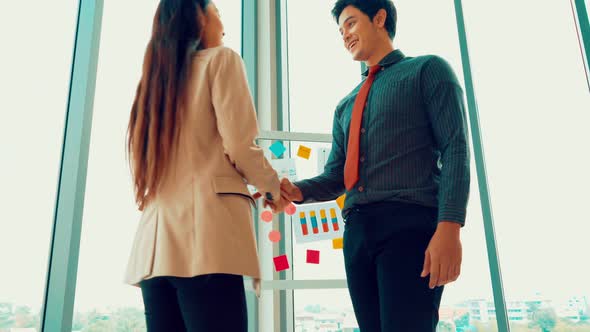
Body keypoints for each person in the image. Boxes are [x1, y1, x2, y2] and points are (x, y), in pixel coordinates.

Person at [279, 0, 470, 330]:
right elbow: (337, 176)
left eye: (351, 23)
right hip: (356, 233)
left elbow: (456, 149)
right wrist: (297, 191)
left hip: (409, 226)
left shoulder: (428, 70)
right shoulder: (344, 106)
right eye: (340, 30)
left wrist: (450, 227)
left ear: (379, 18)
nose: (345, 35)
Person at [124, 1, 287, 330]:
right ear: (198, 16)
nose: (223, 26)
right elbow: (240, 145)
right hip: (203, 245)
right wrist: (273, 187)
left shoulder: (153, 86)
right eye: (218, 13)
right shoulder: (221, 60)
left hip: (153, 255)